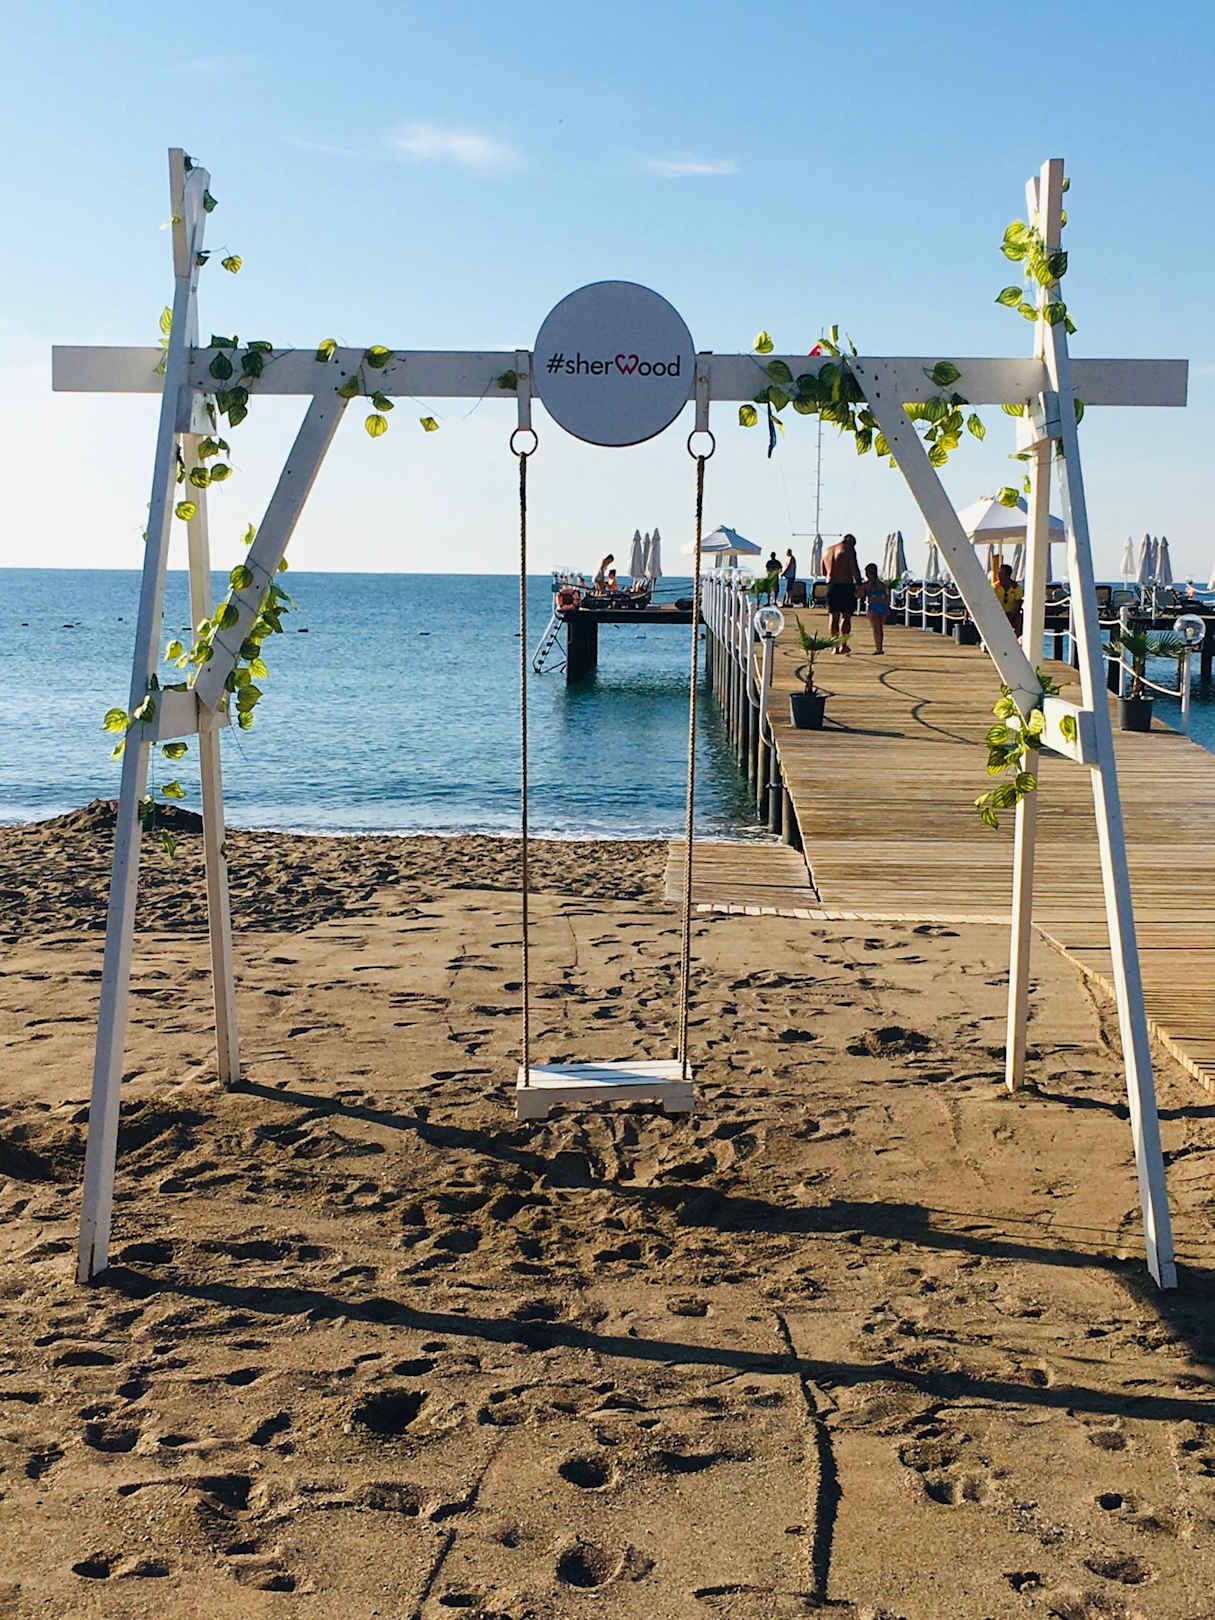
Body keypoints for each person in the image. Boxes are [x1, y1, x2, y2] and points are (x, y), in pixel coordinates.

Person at [822, 533, 863, 653]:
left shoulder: (827, 551)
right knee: (846, 616)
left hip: (831, 585)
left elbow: (823, 571)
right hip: (845, 585)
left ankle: (834, 647)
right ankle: (843, 645)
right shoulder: (848, 549)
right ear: (850, 542)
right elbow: (854, 568)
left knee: (833, 616)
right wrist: (859, 584)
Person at [860, 562, 890, 654]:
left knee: (876, 628)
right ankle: (879, 647)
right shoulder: (882, 584)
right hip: (882, 606)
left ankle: (878, 648)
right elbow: (887, 597)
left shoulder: (866, 585)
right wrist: (887, 607)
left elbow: (859, 594)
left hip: (873, 607)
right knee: (880, 628)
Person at [994, 562, 1024, 635]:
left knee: (1019, 618)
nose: (999, 576)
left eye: (1001, 574)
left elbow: (1019, 603)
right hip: (998, 614)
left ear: (1008, 575)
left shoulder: (1016, 588)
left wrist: (1012, 614)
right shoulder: (994, 588)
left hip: (1012, 614)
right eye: (999, 573)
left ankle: (1016, 639)